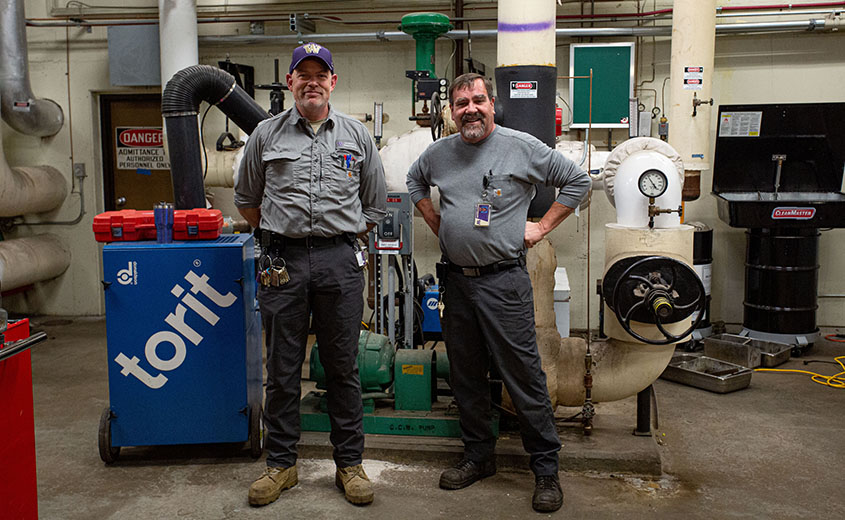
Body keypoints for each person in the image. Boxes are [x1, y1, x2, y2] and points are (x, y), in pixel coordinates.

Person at [406, 73, 591, 513]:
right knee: (466, 375)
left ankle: (545, 469)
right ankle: (478, 457)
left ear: (492, 104)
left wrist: (543, 226)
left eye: (478, 100)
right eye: (461, 103)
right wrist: (437, 223)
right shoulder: (439, 153)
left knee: (523, 376)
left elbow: (578, 181)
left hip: (503, 282)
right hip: (456, 282)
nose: (470, 109)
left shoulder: (520, 146)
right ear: (451, 111)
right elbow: (414, 182)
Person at [234, 42, 387, 507]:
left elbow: (375, 205)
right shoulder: (265, 134)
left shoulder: (357, 136)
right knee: (282, 369)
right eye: (305, 74)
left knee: (343, 367)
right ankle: (282, 465)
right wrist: (286, 238)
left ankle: (349, 465)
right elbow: (247, 200)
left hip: (340, 262)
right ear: (291, 82)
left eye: (322, 74)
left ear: (333, 82)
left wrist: (335, 237)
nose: (313, 82)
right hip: (283, 261)